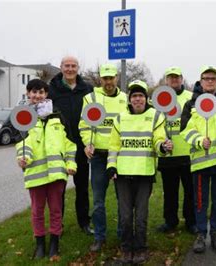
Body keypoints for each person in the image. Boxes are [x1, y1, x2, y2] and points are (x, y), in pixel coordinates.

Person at [106, 80, 173, 264]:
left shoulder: (156, 116)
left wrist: (164, 147)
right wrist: (111, 166)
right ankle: (127, 249)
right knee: (126, 216)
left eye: (141, 95)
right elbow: (113, 146)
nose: (138, 99)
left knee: (141, 216)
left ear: (146, 98)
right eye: (134, 96)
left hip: (145, 174)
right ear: (129, 99)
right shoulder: (120, 118)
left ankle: (141, 248)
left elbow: (158, 141)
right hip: (122, 175)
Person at [180, 66, 216, 253]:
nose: (210, 81)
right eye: (206, 78)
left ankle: (215, 232)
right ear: (201, 80)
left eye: (213, 78)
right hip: (200, 162)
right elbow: (185, 130)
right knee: (200, 201)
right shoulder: (192, 104)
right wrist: (199, 141)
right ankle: (200, 234)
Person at [16, 79, 77, 258]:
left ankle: (54, 244)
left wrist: (71, 164)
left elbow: (70, 144)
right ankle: (40, 244)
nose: (37, 96)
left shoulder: (58, 116)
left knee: (56, 210)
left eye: (41, 92)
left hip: (57, 174)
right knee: (37, 212)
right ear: (28, 93)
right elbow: (21, 143)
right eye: (34, 92)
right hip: (35, 173)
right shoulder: (23, 117)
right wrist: (22, 157)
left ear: (46, 94)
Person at [79, 63, 127, 252]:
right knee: (98, 200)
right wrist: (86, 143)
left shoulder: (125, 99)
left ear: (117, 78)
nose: (108, 82)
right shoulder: (90, 98)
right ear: (100, 79)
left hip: (119, 156)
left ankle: (122, 235)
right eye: (105, 78)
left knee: (122, 199)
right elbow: (84, 125)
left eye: (111, 78)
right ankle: (99, 236)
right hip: (98, 156)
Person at [48, 56, 94, 235]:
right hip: (60, 147)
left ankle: (84, 222)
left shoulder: (87, 89)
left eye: (73, 66)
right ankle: (58, 224)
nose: (70, 69)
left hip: (82, 146)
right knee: (58, 189)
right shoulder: (52, 90)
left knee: (82, 187)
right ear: (61, 67)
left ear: (78, 68)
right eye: (66, 66)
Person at [156, 66, 196, 235]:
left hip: (188, 154)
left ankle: (191, 222)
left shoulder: (191, 97)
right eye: (170, 77)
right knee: (170, 192)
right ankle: (170, 222)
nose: (174, 80)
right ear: (166, 80)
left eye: (177, 77)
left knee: (190, 192)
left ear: (182, 79)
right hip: (168, 155)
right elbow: (155, 124)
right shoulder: (158, 98)